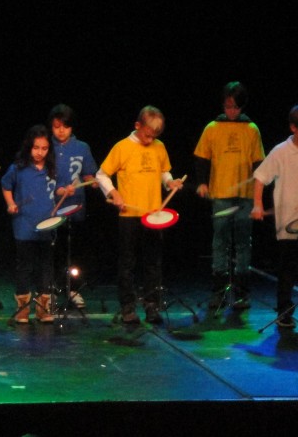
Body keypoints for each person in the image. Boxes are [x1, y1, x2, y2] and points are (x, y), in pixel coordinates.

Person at [96, 106, 184, 325]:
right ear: (137, 126)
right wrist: (114, 193)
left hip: (153, 214)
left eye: (154, 136)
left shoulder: (159, 146)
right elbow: (101, 175)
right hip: (129, 215)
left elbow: (163, 171)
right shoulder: (122, 147)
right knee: (127, 262)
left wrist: (170, 182)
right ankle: (128, 307)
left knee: (153, 262)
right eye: (147, 135)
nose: (150, 140)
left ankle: (152, 305)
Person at [194, 82, 265, 310]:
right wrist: (202, 182)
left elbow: (259, 163)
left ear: (242, 106)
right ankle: (219, 291)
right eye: (228, 106)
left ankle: (242, 293)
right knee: (220, 242)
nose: (231, 111)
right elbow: (202, 157)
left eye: (235, 107)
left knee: (243, 244)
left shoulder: (251, 129)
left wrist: (257, 197)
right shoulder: (212, 127)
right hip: (221, 194)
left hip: (245, 196)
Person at [1, 124, 60, 324]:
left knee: (45, 267)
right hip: (24, 224)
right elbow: (6, 185)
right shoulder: (18, 168)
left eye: (44, 148)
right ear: (29, 147)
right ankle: (23, 309)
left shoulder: (52, 168)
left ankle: (43, 309)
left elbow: (57, 190)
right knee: (25, 267)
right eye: (36, 148)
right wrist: (10, 203)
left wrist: (65, 190)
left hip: (47, 224)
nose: (40, 152)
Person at [251, 105, 298, 328]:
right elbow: (260, 177)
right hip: (288, 222)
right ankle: (284, 311)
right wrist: (257, 204)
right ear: (293, 128)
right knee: (287, 269)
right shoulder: (280, 151)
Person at [48, 103, 98, 309]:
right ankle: (50, 290)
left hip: (76, 208)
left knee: (74, 251)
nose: (61, 131)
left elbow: (88, 173)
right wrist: (58, 190)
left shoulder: (82, 147)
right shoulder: (46, 147)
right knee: (53, 250)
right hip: (51, 208)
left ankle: (73, 289)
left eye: (66, 126)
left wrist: (92, 181)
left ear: (72, 127)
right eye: (57, 126)